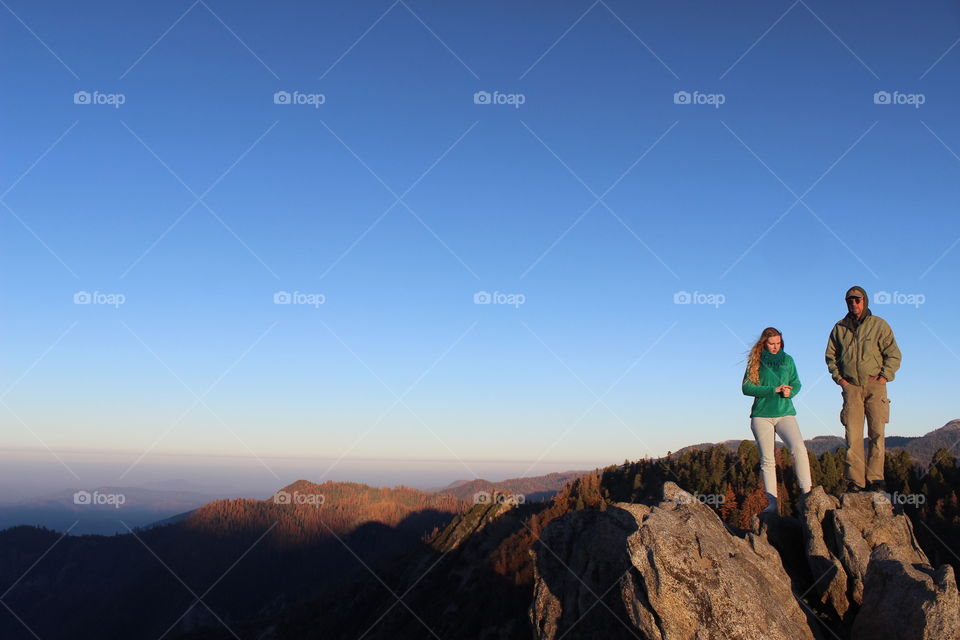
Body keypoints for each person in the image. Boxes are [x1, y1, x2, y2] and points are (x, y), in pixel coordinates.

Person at [825, 286, 901, 493]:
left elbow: (893, 353)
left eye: (857, 300)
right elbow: (830, 357)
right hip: (851, 387)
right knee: (853, 435)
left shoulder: (879, 325)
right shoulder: (839, 328)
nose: (854, 303)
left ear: (865, 301)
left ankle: (876, 479)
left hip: (875, 386)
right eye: (850, 301)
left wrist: (885, 376)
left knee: (877, 433)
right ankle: (855, 482)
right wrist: (840, 380)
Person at [742, 327, 812, 514]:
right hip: (761, 416)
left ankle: (808, 493)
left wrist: (791, 391)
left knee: (799, 449)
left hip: (785, 413)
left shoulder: (788, 360)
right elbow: (746, 388)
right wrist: (773, 390)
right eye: (771, 343)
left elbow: (796, 382)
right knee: (767, 460)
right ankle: (772, 504)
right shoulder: (756, 361)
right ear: (764, 343)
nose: (775, 347)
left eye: (778, 343)